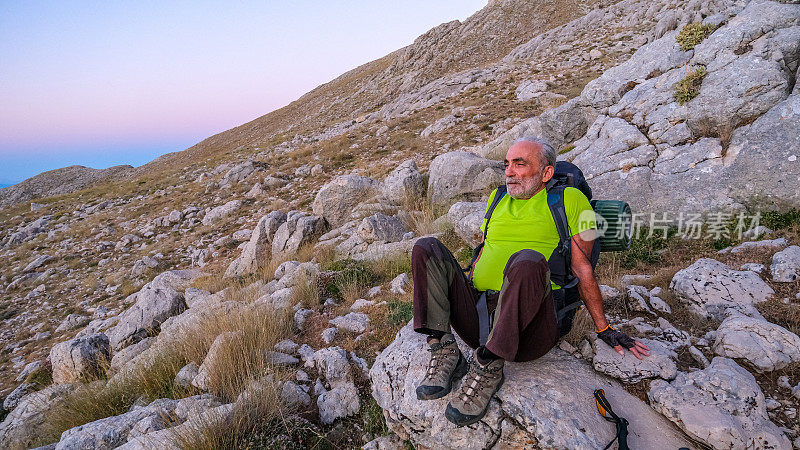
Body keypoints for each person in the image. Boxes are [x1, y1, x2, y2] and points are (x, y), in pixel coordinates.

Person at [411, 137, 650, 427]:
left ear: (546, 173)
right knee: (426, 247)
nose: (509, 171)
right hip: (480, 319)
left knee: (527, 260)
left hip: (531, 327)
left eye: (520, 164)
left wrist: (604, 328)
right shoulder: (498, 198)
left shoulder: (571, 200)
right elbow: (484, 251)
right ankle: (445, 349)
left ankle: (488, 367)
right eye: (507, 164)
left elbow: (583, 269)